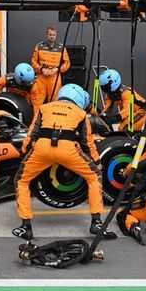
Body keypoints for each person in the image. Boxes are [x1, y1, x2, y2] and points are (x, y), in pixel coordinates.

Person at [13, 83, 114, 240]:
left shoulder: (44, 107)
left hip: (42, 149)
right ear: (79, 100)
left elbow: (33, 132)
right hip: (68, 150)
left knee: (21, 181)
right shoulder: (81, 113)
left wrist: (24, 153)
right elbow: (86, 142)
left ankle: (25, 226)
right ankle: (97, 223)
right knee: (95, 177)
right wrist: (97, 162)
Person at [31, 26, 70, 103]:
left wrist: (58, 69)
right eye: (50, 34)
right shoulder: (39, 46)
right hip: (42, 77)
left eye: (53, 35)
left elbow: (67, 62)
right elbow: (33, 62)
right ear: (47, 35)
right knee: (37, 101)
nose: (52, 36)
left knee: (54, 102)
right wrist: (42, 69)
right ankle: (36, 115)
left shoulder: (61, 47)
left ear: (56, 35)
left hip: (54, 78)